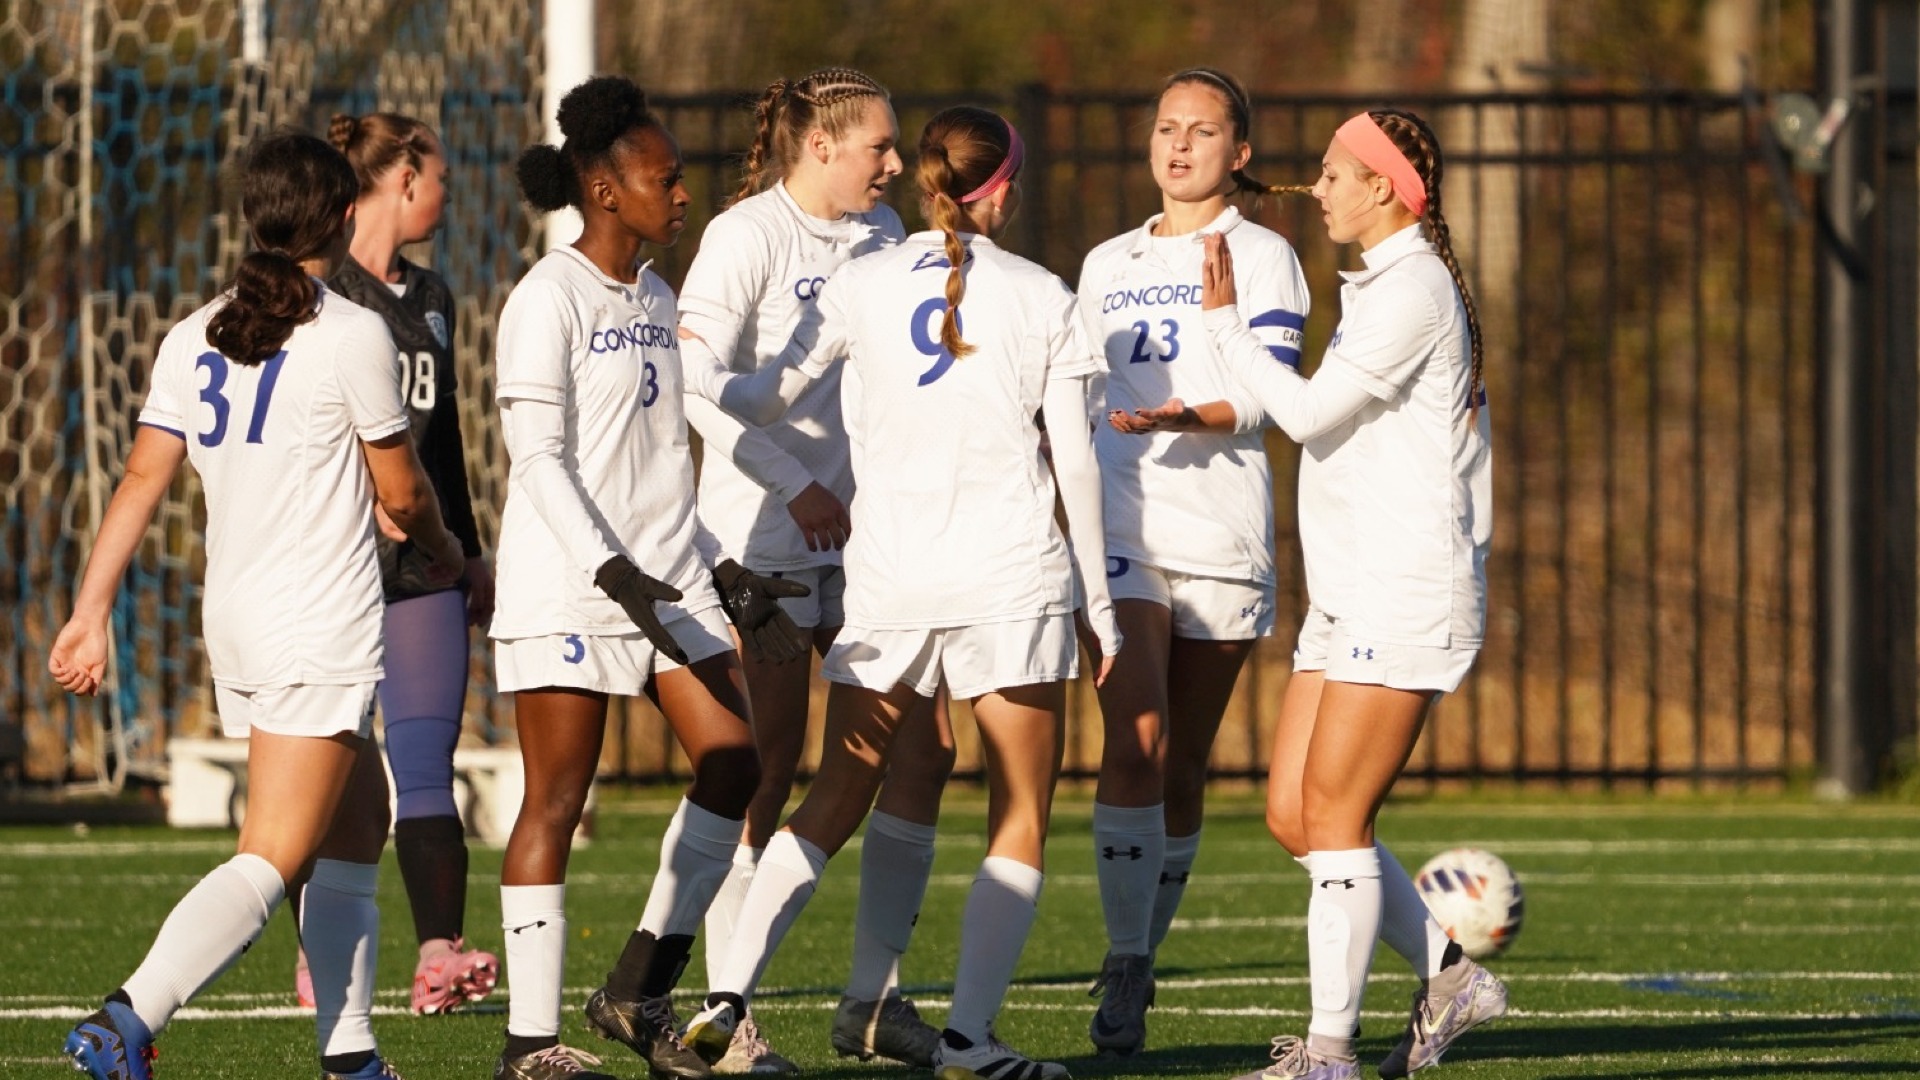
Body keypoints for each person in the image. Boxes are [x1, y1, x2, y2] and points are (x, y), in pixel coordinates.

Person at [681, 104, 1122, 1080]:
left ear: (928, 180)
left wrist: (697, 369)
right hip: (1008, 576)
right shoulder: (1042, 293)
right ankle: (968, 1040)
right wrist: (1099, 604)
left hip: (890, 577)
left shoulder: (866, 280)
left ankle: (728, 997)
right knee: (1019, 808)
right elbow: (1076, 465)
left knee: (840, 787)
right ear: (999, 188)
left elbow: (755, 396)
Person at [53, 129, 466, 1080]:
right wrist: (444, 550)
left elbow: (138, 480)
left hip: (239, 615)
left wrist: (89, 609)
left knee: (359, 821)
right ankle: (126, 1020)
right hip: (314, 619)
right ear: (338, 216)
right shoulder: (351, 332)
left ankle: (351, 1056)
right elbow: (403, 495)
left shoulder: (191, 331)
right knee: (274, 854)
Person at [1149, 107, 1503, 1079]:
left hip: (1405, 588)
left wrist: (1223, 328)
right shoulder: (1386, 282)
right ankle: (1449, 976)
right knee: (1294, 816)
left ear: (1385, 187)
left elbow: (1300, 412)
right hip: (1352, 588)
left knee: (1338, 821)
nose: (1322, 187)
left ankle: (1329, 1055)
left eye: (1339, 173)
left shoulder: (1412, 290)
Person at [488, 75, 809, 1080]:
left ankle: (636, 989)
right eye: (663, 179)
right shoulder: (548, 296)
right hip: (573, 587)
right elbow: (536, 458)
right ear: (604, 187)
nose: (681, 194)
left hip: (667, 587)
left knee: (735, 762)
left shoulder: (657, 298)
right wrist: (615, 574)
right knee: (557, 800)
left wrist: (717, 569)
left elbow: (663, 465)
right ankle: (530, 1048)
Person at [675, 66, 952, 1073]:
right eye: (878, 146)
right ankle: (728, 1017)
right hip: (766, 542)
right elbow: (695, 385)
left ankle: (875, 1000)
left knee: (921, 755)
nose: (894, 162)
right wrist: (793, 482)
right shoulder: (746, 235)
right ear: (819, 146)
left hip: (875, 547)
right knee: (770, 766)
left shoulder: (884, 240)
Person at [1073, 66, 1310, 1057]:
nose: (1178, 145)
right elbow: (1073, 392)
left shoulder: (1264, 254)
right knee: (1134, 737)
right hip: (1124, 526)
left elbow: (1272, 395)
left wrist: (1188, 412)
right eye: (1166, 127)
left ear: (1239, 153)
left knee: (1183, 764)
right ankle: (1126, 958)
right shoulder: (1106, 260)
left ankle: (1142, 948)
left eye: (1201, 131)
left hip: (1221, 532)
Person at [300, 109, 499, 1017]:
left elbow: (445, 439)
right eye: (442, 176)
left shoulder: (433, 296)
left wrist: (468, 544)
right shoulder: (314, 294)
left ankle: (437, 957)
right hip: (329, 563)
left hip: (424, 565)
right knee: (337, 766)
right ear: (405, 179)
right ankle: (324, 959)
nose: (448, 193)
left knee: (425, 760)